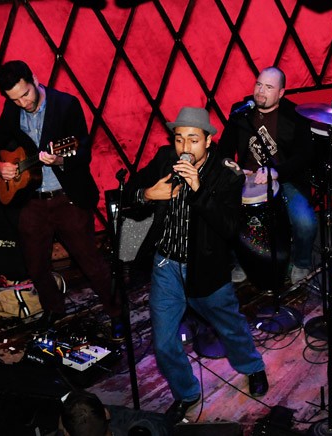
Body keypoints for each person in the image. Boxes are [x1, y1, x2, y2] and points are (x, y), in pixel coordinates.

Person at [122, 107, 268, 426]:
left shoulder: (227, 174)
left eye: (193, 139)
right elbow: (129, 191)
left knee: (230, 326)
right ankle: (187, 393)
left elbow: (230, 228)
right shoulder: (164, 160)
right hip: (166, 266)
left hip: (206, 269)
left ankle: (253, 367)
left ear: (208, 141)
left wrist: (199, 190)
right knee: (163, 342)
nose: (185, 147)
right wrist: (148, 194)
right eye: (179, 139)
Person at [0, 60, 123, 339]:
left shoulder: (66, 105)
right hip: (31, 200)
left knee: (91, 262)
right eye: (15, 99)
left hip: (67, 198)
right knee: (36, 264)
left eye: (25, 94)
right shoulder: (12, 109)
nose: (23, 103)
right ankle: (54, 309)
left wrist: (59, 159)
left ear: (35, 80)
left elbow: (83, 152)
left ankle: (117, 312)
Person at [218, 66, 318, 284]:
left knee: (305, 222)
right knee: (224, 215)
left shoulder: (295, 115)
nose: (261, 91)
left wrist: (276, 172)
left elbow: (304, 156)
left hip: (285, 177)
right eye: (258, 84)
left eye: (269, 87)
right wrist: (235, 169)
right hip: (247, 178)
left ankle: (301, 263)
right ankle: (240, 262)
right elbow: (223, 150)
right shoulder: (241, 111)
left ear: (281, 93)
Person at [58, 389, 170, 436]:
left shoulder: (64, 431)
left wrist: (60, 431)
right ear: (106, 413)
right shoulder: (124, 426)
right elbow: (163, 422)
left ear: (66, 432)